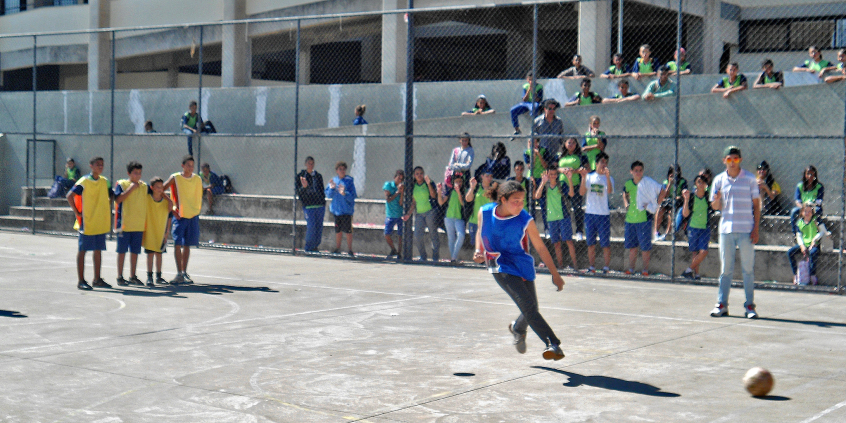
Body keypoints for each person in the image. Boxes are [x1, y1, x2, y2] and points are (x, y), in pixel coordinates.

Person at [472, 181, 566, 361]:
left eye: (522, 201)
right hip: (499, 264)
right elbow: (480, 230)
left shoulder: (525, 219)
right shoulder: (485, 212)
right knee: (528, 306)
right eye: (515, 201)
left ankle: (518, 329)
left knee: (531, 308)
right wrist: (479, 250)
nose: (519, 205)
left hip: (521, 265)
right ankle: (553, 344)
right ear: (503, 200)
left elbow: (540, 247)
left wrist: (555, 274)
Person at [709, 146, 761, 319]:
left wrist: (755, 229)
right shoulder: (718, 180)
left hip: (746, 230)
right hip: (726, 231)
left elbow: (756, 205)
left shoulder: (750, 179)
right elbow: (715, 206)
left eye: (736, 159)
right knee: (726, 270)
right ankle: (722, 304)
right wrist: (716, 200)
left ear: (740, 160)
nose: (732, 163)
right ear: (724, 161)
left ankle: (749, 306)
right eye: (729, 159)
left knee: (747, 270)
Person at [67, 157, 115, 290]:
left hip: (100, 221)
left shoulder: (105, 181)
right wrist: (77, 212)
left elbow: (112, 195)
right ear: (91, 166)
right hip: (87, 221)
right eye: (98, 165)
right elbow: (69, 195)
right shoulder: (84, 181)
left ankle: (97, 279)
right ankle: (81, 280)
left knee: (98, 250)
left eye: (102, 165)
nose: (100, 167)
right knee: (83, 251)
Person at [164, 155, 203, 285]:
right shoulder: (175, 178)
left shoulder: (197, 179)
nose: (190, 168)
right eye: (188, 165)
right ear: (183, 166)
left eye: (192, 165)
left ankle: (184, 272)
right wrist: (170, 203)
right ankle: (179, 273)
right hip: (179, 216)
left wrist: (195, 210)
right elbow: (160, 189)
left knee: (187, 245)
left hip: (192, 216)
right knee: (177, 244)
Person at [534, 166, 578, 270]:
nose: (553, 176)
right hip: (551, 218)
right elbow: (537, 196)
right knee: (556, 244)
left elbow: (571, 194)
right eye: (551, 174)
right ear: (547, 175)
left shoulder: (562, 184)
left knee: (569, 241)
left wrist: (570, 179)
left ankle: (575, 266)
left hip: (564, 217)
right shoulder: (545, 186)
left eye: (555, 174)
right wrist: (542, 182)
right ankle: (560, 266)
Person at [623, 161, 662, 276]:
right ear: (631, 172)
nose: (638, 173)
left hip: (643, 220)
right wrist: (626, 204)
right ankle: (631, 269)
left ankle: (645, 270)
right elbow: (625, 193)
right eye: (636, 170)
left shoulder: (647, 183)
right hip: (630, 220)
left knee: (645, 247)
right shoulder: (628, 184)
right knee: (632, 248)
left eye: (640, 170)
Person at [114, 161, 148, 287]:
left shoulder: (144, 186)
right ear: (129, 173)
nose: (138, 176)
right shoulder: (122, 184)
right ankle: (120, 276)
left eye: (139, 173)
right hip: (124, 225)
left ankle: (133, 276)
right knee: (122, 251)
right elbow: (118, 199)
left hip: (138, 225)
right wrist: (131, 189)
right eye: (135, 173)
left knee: (135, 252)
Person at [579, 152, 614, 273]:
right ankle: (592, 267)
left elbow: (609, 191)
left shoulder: (609, 178)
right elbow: (582, 192)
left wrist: (608, 177)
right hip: (590, 214)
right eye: (602, 162)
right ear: (597, 163)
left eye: (606, 162)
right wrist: (583, 178)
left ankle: (606, 267)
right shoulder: (589, 177)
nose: (604, 165)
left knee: (605, 243)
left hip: (603, 215)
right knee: (591, 243)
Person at [143, 176, 173, 287]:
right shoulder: (147, 198)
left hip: (161, 231)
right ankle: (149, 277)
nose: (160, 189)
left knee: (159, 254)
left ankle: (159, 276)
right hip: (150, 231)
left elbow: (169, 217)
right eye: (157, 187)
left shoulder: (166, 202)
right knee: (150, 254)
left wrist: (167, 232)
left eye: (161, 187)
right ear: (152, 188)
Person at [680, 175, 712, 280]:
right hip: (693, 227)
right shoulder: (692, 197)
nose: (701, 184)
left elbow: (715, 207)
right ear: (695, 184)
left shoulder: (708, 197)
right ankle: (696, 274)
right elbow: (685, 214)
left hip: (704, 228)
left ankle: (688, 270)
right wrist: (686, 199)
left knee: (703, 251)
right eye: (699, 182)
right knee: (695, 252)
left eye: (703, 182)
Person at [788, 202, 826, 285]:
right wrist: (802, 246)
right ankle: (796, 275)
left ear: (812, 212)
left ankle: (812, 275)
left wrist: (815, 239)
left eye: (809, 211)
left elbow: (823, 231)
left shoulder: (816, 220)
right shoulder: (799, 222)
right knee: (790, 252)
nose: (807, 213)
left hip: (814, 244)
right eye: (805, 211)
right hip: (804, 244)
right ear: (802, 212)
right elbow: (799, 236)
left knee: (813, 253)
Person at [558, 137, 589, 241]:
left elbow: (586, 169)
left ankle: (579, 231)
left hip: (576, 184)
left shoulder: (581, 156)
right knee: (563, 208)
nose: (571, 144)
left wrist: (574, 171)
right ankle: (564, 231)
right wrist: (562, 169)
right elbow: (554, 168)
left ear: (576, 145)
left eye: (573, 143)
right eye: (569, 142)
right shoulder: (560, 156)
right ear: (565, 144)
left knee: (577, 208)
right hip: (562, 185)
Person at [407, 167, 440, 262]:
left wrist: (429, 183)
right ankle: (423, 256)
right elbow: (414, 202)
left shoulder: (428, 183)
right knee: (417, 236)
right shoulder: (413, 186)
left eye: (421, 173)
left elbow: (433, 195)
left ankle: (435, 258)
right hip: (419, 214)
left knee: (433, 234)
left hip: (430, 212)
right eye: (417, 174)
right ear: (414, 175)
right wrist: (409, 213)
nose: (419, 175)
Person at [325, 161, 357, 256]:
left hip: (346, 211)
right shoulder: (333, 181)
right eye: (340, 169)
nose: (342, 171)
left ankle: (350, 250)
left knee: (348, 231)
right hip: (336, 211)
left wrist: (344, 193)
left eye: (344, 169)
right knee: (338, 230)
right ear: (336, 171)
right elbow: (328, 194)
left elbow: (353, 196)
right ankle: (337, 248)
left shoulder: (349, 181)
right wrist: (331, 188)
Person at [295, 156, 326, 252]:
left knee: (318, 227)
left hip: (319, 205)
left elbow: (322, 190)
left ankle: (315, 246)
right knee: (311, 226)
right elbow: (298, 192)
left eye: (312, 163)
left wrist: (321, 200)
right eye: (309, 163)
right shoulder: (300, 176)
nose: (310, 165)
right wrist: (304, 187)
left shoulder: (318, 176)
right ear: (305, 164)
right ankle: (308, 248)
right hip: (308, 206)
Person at [437, 175, 467, 265]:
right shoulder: (449, 191)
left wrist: (458, 192)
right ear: (453, 182)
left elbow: (463, 204)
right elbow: (441, 202)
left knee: (461, 235)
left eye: (460, 181)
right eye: (456, 181)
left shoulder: (464, 191)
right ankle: (453, 259)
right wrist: (439, 191)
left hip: (459, 218)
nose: (458, 183)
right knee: (451, 239)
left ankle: (453, 257)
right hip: (448, 217)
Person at [654, 165, 687, 241]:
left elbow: (683, 195)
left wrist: (677, 197)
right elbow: (664, 196)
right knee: (659, 209)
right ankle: (656, 233)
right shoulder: (666, 182)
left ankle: (666, 234)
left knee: (671, 212)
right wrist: (669, 184)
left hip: (677, 203)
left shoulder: (682, 182)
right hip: (668, 202)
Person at [524, 137, 550, 230]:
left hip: (541, 177)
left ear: (537, 142)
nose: (531, 143)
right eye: (530, 141)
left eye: (534, 141)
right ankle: (532, 229)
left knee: (543, 204)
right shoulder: (526, 152)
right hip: (531, 177)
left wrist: (538, 154)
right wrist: (533, 156)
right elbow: (530, 166)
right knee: (531, 204)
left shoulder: (544, 150)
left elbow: (545, 165)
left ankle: (547, 228)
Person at [466, 170, 496, 243]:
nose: (489, 178)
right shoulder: (477, 187)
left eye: (491, 176)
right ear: (482, 176)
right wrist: (472, 187)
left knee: (486, 245)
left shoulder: (493, 190)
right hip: (475, 221)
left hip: (487, 223)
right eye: (487, 176)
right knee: (475, 245)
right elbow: (468, 199)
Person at [510, 71, 544, 137]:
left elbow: (538, 99)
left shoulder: (539, 87)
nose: (531, 81)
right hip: (526, 103)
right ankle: (517, 129)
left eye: (533, 79)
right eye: (530, 79)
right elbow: (524, 99)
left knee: (534, 108)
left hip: (534, 103)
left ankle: (534, 129)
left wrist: (533, 90)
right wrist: (529, 89)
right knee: (513, 110)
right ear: (527, 79)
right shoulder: (525, 86)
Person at [383, 170, 405, 259]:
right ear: (394, 177)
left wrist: (402, 192)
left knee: (400, 234)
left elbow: (400, 203)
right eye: (398, 178)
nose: (399, 180)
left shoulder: (401, 187)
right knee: (387, 234)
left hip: (399, 214)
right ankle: (393, 249)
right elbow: (388, 199)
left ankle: (399, 253)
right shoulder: (388, 185)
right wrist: (397, 192)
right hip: (390, 214)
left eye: (401, 179)